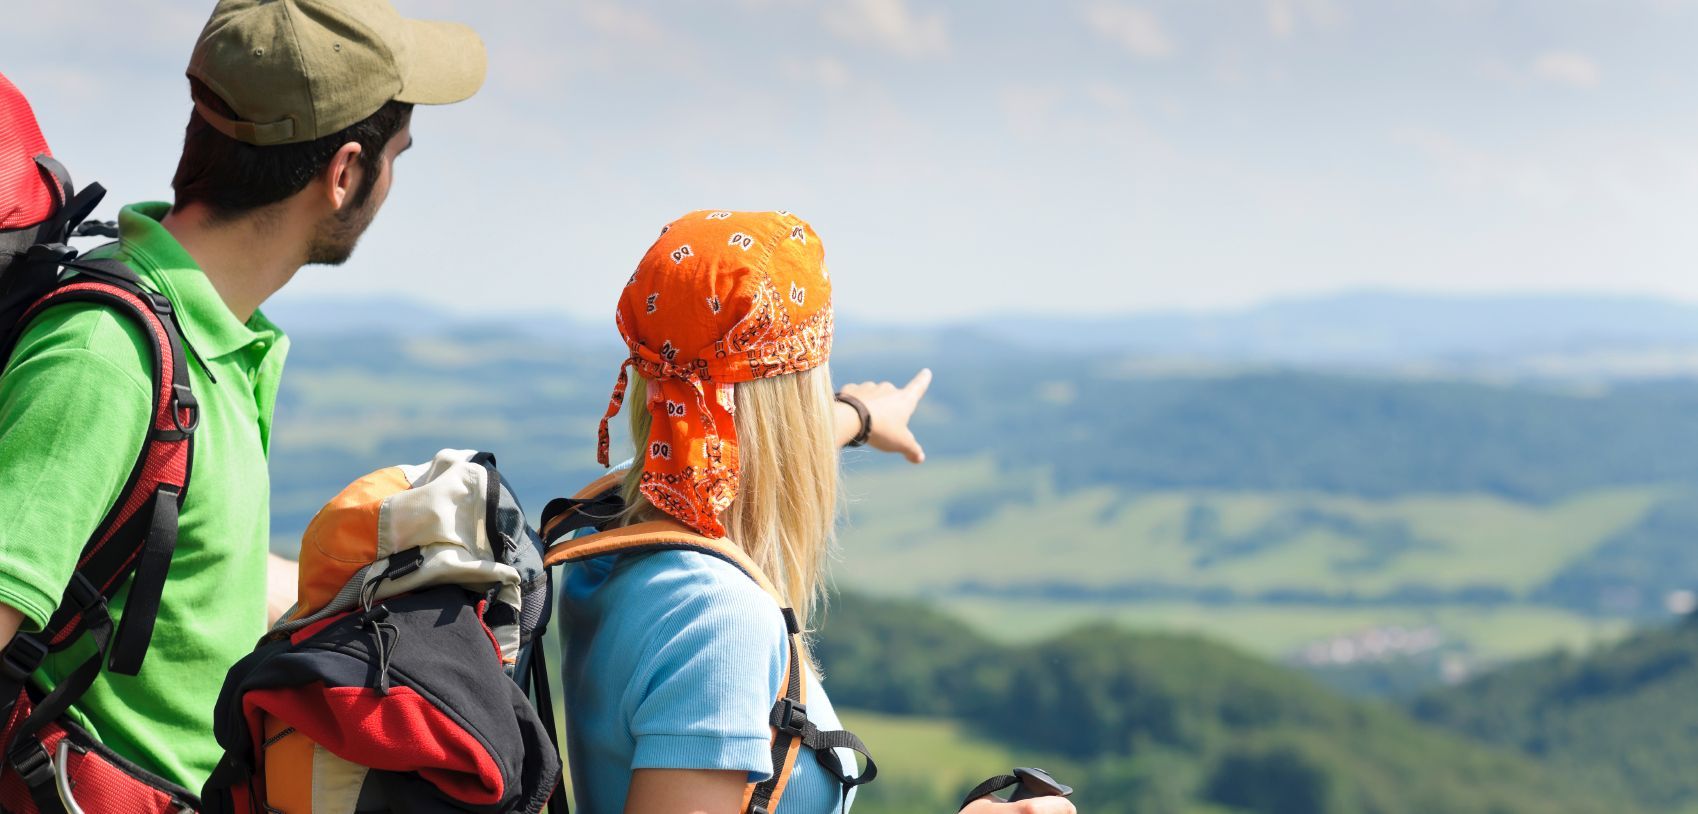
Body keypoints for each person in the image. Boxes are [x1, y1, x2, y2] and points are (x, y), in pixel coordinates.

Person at [0, 0, 488, 791]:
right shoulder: (108, 356)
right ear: (344, 174)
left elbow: (184, 583)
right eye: (397, 154)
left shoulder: (214, 340)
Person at [561, 209, 1075, 814]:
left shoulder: (608, 525)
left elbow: (729, 436)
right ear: (792, 397)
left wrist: (858, 416)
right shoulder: (719, 620)